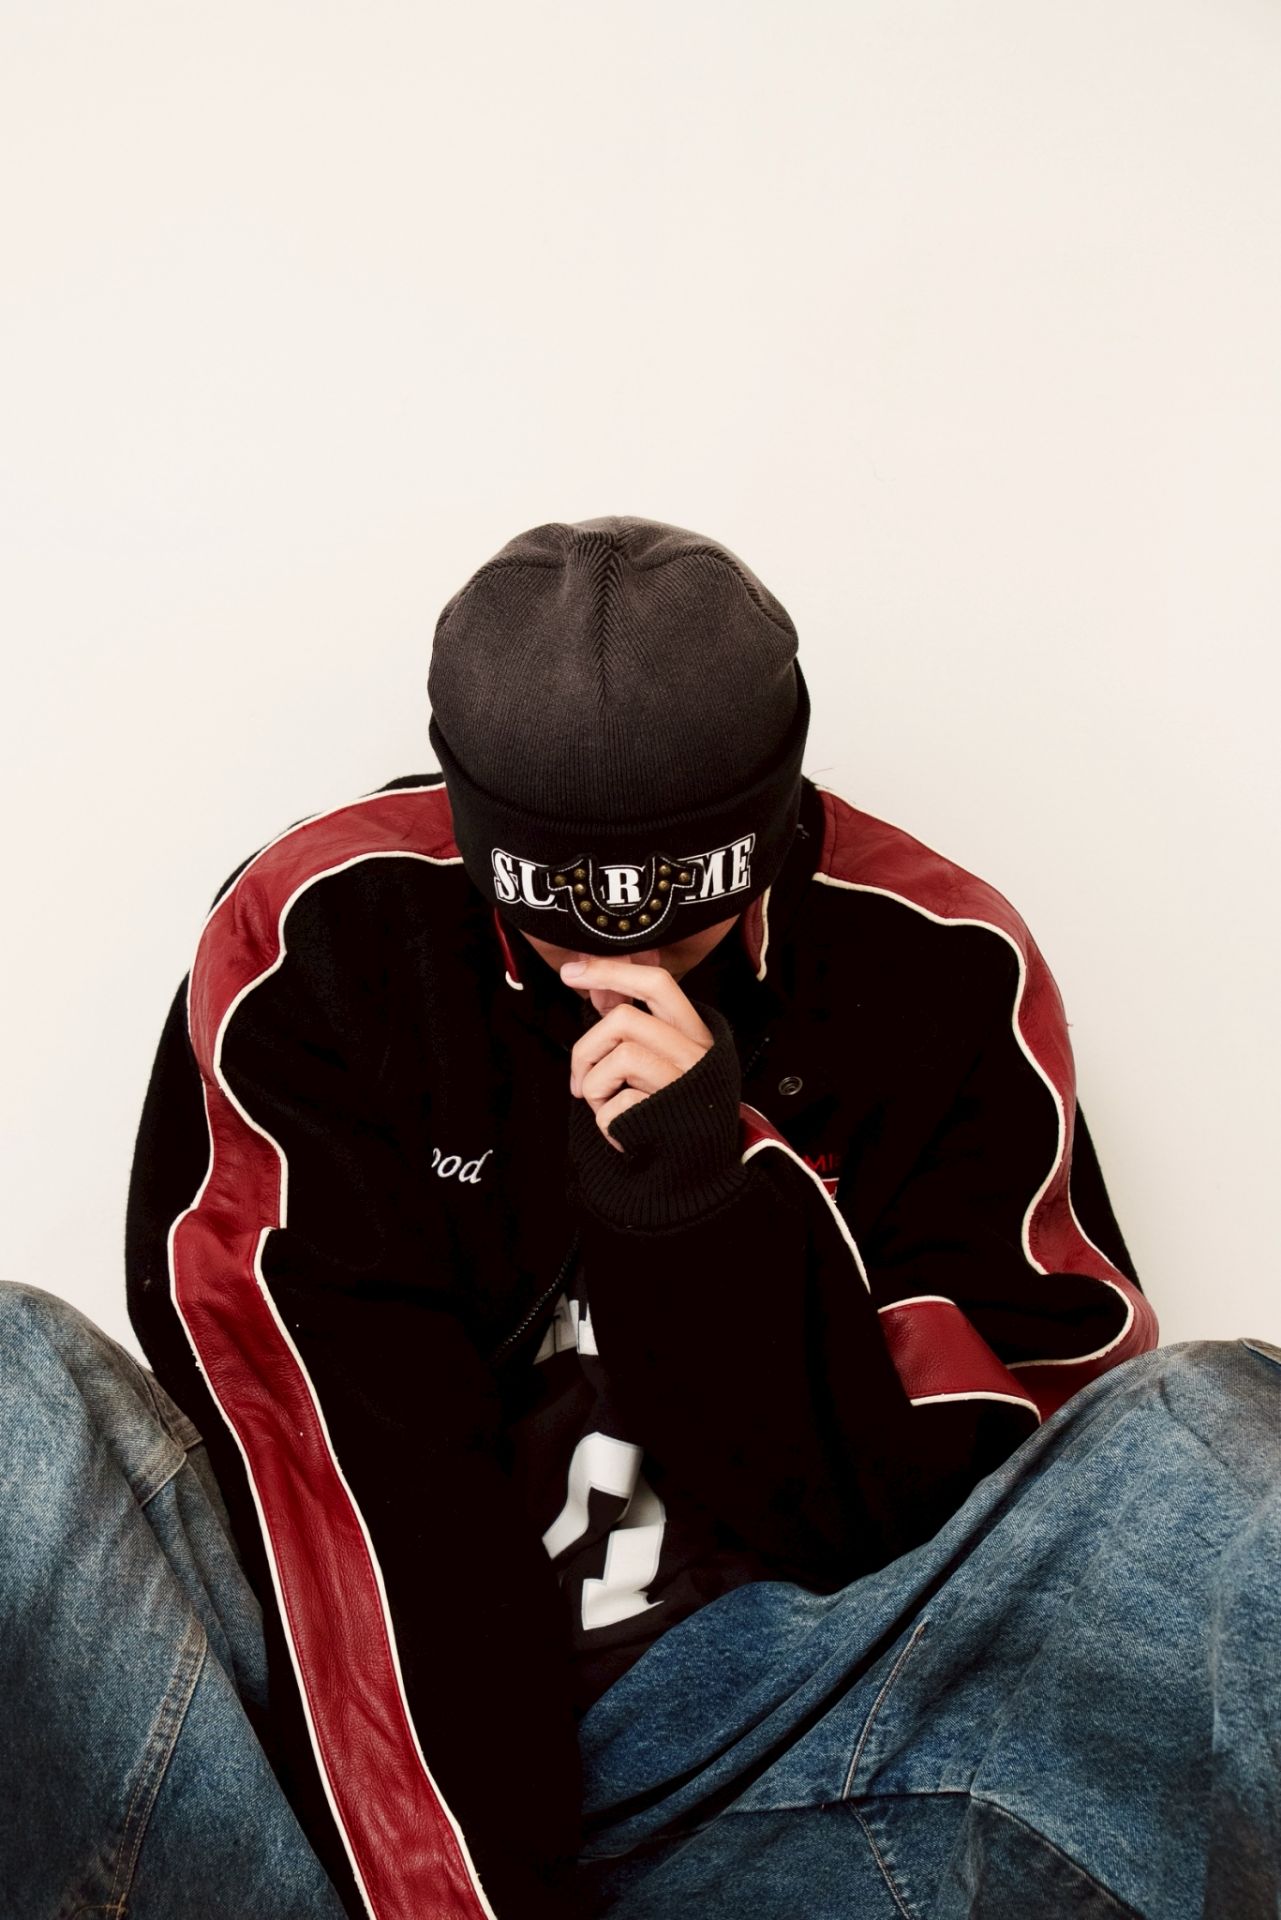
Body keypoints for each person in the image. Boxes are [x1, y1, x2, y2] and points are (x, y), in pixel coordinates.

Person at [3, 516, 1277, 1920]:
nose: (619, 960)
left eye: (679, 912)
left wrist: (704, 1207)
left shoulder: (939, 964)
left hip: (796, 1737)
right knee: (10, 1383)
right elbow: (344, 1486)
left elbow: (987, 1531)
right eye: (561, 914)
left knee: (1217, 1425)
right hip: (341, 1783)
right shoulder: (323, 942)